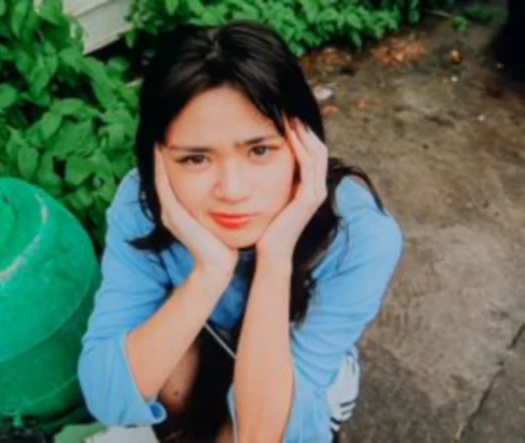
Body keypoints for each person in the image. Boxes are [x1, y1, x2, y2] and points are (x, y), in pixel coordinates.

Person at [77, 20, 404, 443]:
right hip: (206, 346)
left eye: (260, 150)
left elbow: (261, 434)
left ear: (304, 145)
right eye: (195, 159)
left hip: (299, 377)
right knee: (162, 370)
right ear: (158, 159)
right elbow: (107, 398)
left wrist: (275, 257)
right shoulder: (142, 203)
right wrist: (209, 274)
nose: (232, 191)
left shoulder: (359, 235)